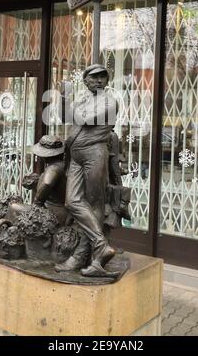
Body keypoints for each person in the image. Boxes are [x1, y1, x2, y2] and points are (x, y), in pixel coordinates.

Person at [55, 64, 119, 276]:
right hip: (76, 156)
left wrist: (73, 108)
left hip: (94, 153)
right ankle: (101, 246)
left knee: (94, 204)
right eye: (94, 77)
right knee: (72, 201)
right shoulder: (83, 100)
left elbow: (84, 119)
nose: (99, 80)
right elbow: (65, 116)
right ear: (86, 81)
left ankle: (86, 258)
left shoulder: (109, 101)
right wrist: (64, 98)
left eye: (103, 77)